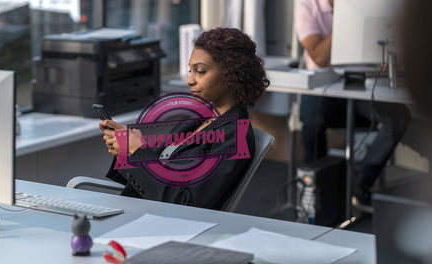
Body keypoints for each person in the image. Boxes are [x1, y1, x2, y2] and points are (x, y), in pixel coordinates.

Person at [99, 27, 269, 210]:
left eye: (200, 71)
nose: (190, 80)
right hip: (139, 210)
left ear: (231, 74)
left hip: (163, 224)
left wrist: (136, 150)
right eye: (190, 71)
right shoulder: (198, 118)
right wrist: (126, 150)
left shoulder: (235, 136)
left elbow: (186, 203)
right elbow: (157, 172)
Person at [295, 0, 411, 211]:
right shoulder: (307, 5)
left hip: (366, 85)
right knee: (312, 119)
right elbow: (319, 57)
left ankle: (360, 184)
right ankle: (317, 193)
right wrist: (345, 15)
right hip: (325, 86)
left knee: (398, 116)